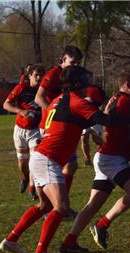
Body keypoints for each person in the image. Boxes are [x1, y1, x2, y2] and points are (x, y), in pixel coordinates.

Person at [0, 65, 130, 253]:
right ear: (77, 82)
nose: (89, 81)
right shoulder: (76, 101)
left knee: (44, 206)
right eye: (85, 78)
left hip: (42, 157)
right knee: (61, 206)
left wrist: (100, 112)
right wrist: (128, 112)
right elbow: (107, 121)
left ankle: (12, 239)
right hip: (47, 159)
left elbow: (76, 122)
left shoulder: (58, 99)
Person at [59, 71, 130, 253]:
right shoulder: (125, 101)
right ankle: (102, 225)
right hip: (112, 158)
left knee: (93, 204)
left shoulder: (116, 99)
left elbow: (109, 125)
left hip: (106, 156)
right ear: (128, 84)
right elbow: (117, 124)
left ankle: (69, 241)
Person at [35, 45, 83, 216]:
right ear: (63, 59)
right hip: (51, 125)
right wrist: (54, 114)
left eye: (78, 63)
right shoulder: (53, 74)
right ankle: (56, 205)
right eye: (72, 62)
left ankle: (58, 204)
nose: (75, 65)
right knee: (62, 165)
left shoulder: (72, 76)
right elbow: (38, 97)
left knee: (70, 165)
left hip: (61, 124)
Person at [3, 64, 45, 200]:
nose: (39, 78)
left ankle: (32, 189)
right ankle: (25, 178)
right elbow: (6, 104)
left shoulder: (44, 90)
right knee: (23, 162)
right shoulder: (22, 88)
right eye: (36, 75)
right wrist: (21, 111)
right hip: (20, 129)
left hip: (35, 130)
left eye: (41, 75)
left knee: (34, 160)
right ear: (29, 76)